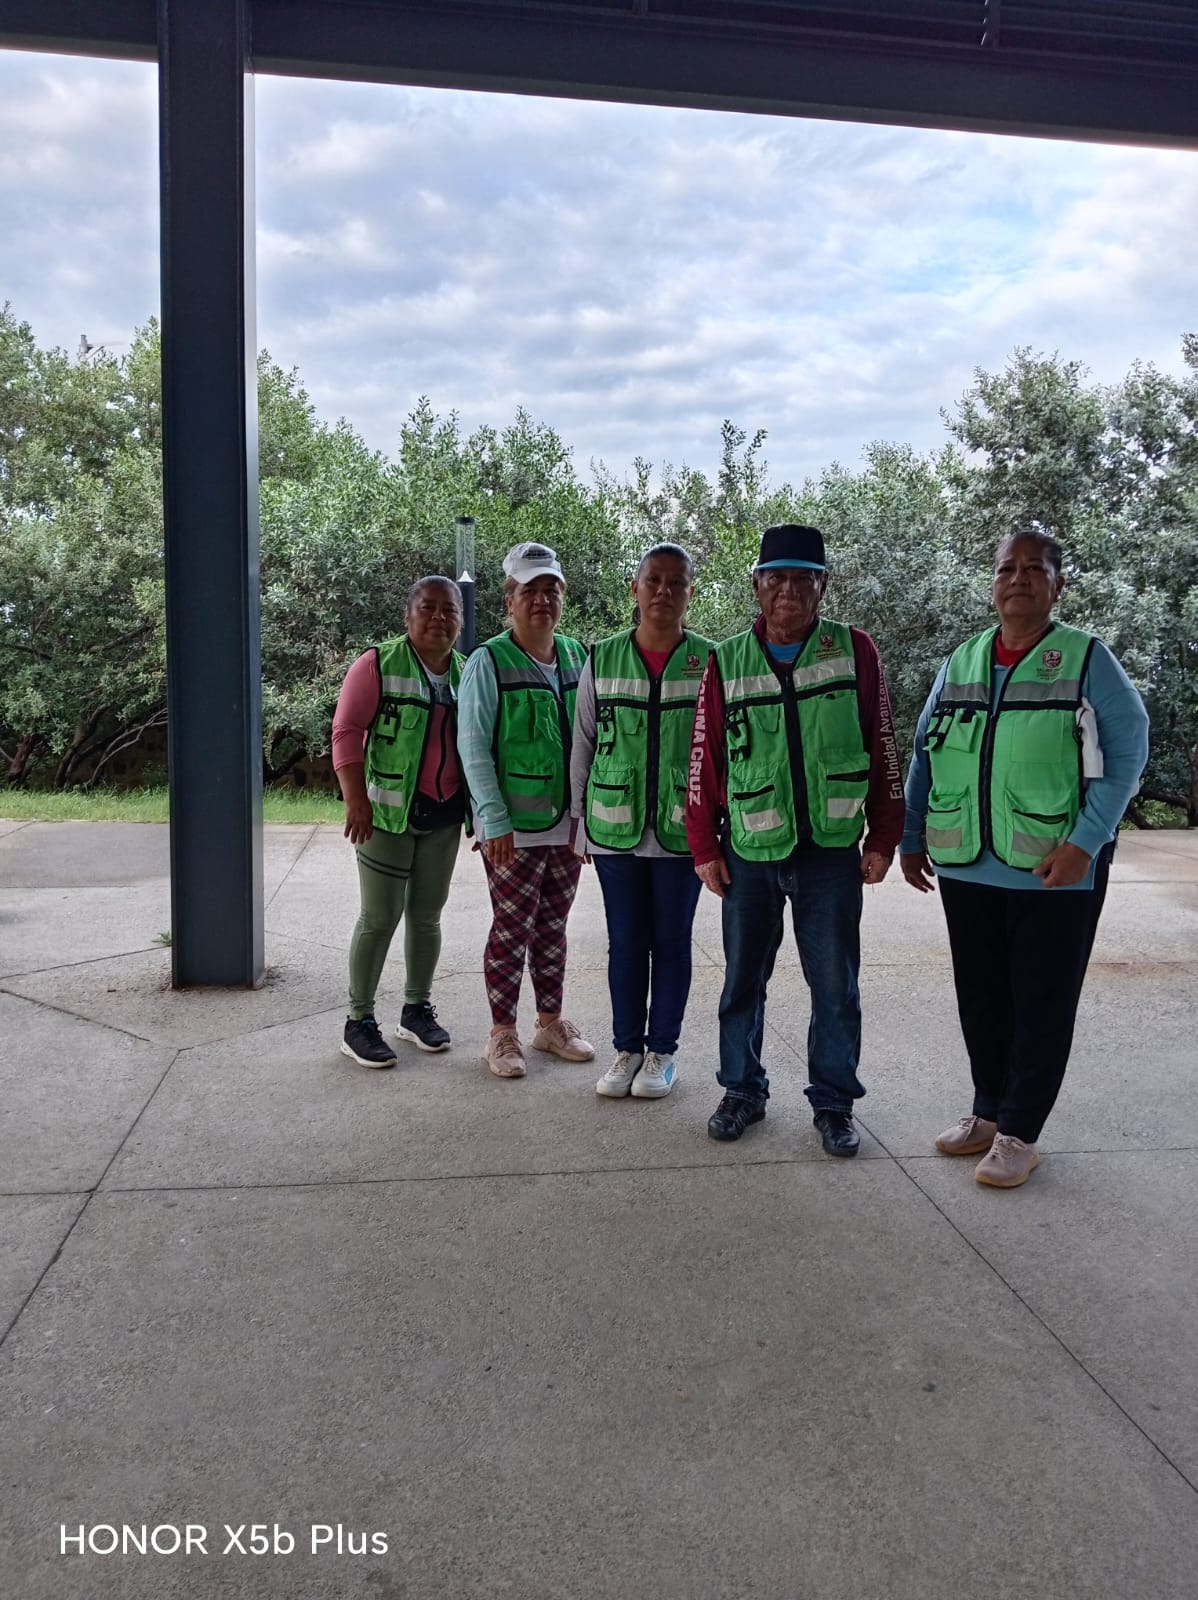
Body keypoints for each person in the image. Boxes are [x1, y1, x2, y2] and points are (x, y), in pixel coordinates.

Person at [900, 530, 1149, 1188]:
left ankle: (1019, 1133)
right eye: (1006, 568)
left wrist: (1086, 842)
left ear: (1057, 586)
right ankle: (987, 1112)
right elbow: (925, 751)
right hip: (966, 862)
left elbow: (1128, 751)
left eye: (1034, 569)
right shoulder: (962, 661)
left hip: (1053, 868)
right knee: (981, 997)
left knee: (1042, 1003)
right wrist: (912, 834)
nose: (1018, 578)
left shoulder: (1087, 659)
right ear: (992, 584)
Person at [687, 523, 904, 1153]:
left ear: (822, 585)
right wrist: (704, 847)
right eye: (775, 577)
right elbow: (703, 758)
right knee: (741, 983)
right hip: (749, 852)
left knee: (835, 987)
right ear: (756, 585)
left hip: (831, 854)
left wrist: (885, 835)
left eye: (802, 578)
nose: (788, 590)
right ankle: (742, 1091)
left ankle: (834, 1102)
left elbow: (883, 743)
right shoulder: (726, 660)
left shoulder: (854, 650)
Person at [570, 543, 713, 1100]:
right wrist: (580, 819)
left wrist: (717, 829)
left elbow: (722, 749)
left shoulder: (711, 660)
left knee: (672, 942)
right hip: (613, 829)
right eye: (653, 580)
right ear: (635, 588)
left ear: (690, 593)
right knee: (626, 943)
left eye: (676, 582)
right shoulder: (603, 657)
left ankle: (662, 1053)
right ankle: (627, 1048)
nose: (663, 591)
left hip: (682, 832)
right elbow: (584, 741)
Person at [457, 541, 595, 1078]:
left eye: (550, 590)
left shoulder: (579, 656)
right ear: (509, 601)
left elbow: (591, 740)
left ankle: (550, 1023)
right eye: (529, 590)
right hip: (512, 829)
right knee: (511, 928)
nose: (542, 600)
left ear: (563, 597)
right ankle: (501, 1034)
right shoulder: (488, 661)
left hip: (567, 825)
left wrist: (586, 819)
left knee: (553, 926)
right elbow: (473, 746)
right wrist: (493, 820)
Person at [333, 576, 467, 1068]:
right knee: (379, 915)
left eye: (449, 609)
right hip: (386, 816)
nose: (438, 618)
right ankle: (358, 1021)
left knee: (427, 915)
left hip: (444, 814)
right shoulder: (378, 663)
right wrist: (355, 800)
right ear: (408, 615)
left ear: (461, 620)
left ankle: (416, 1011)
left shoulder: (468, 672)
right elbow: (346, 730)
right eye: (427, 607)